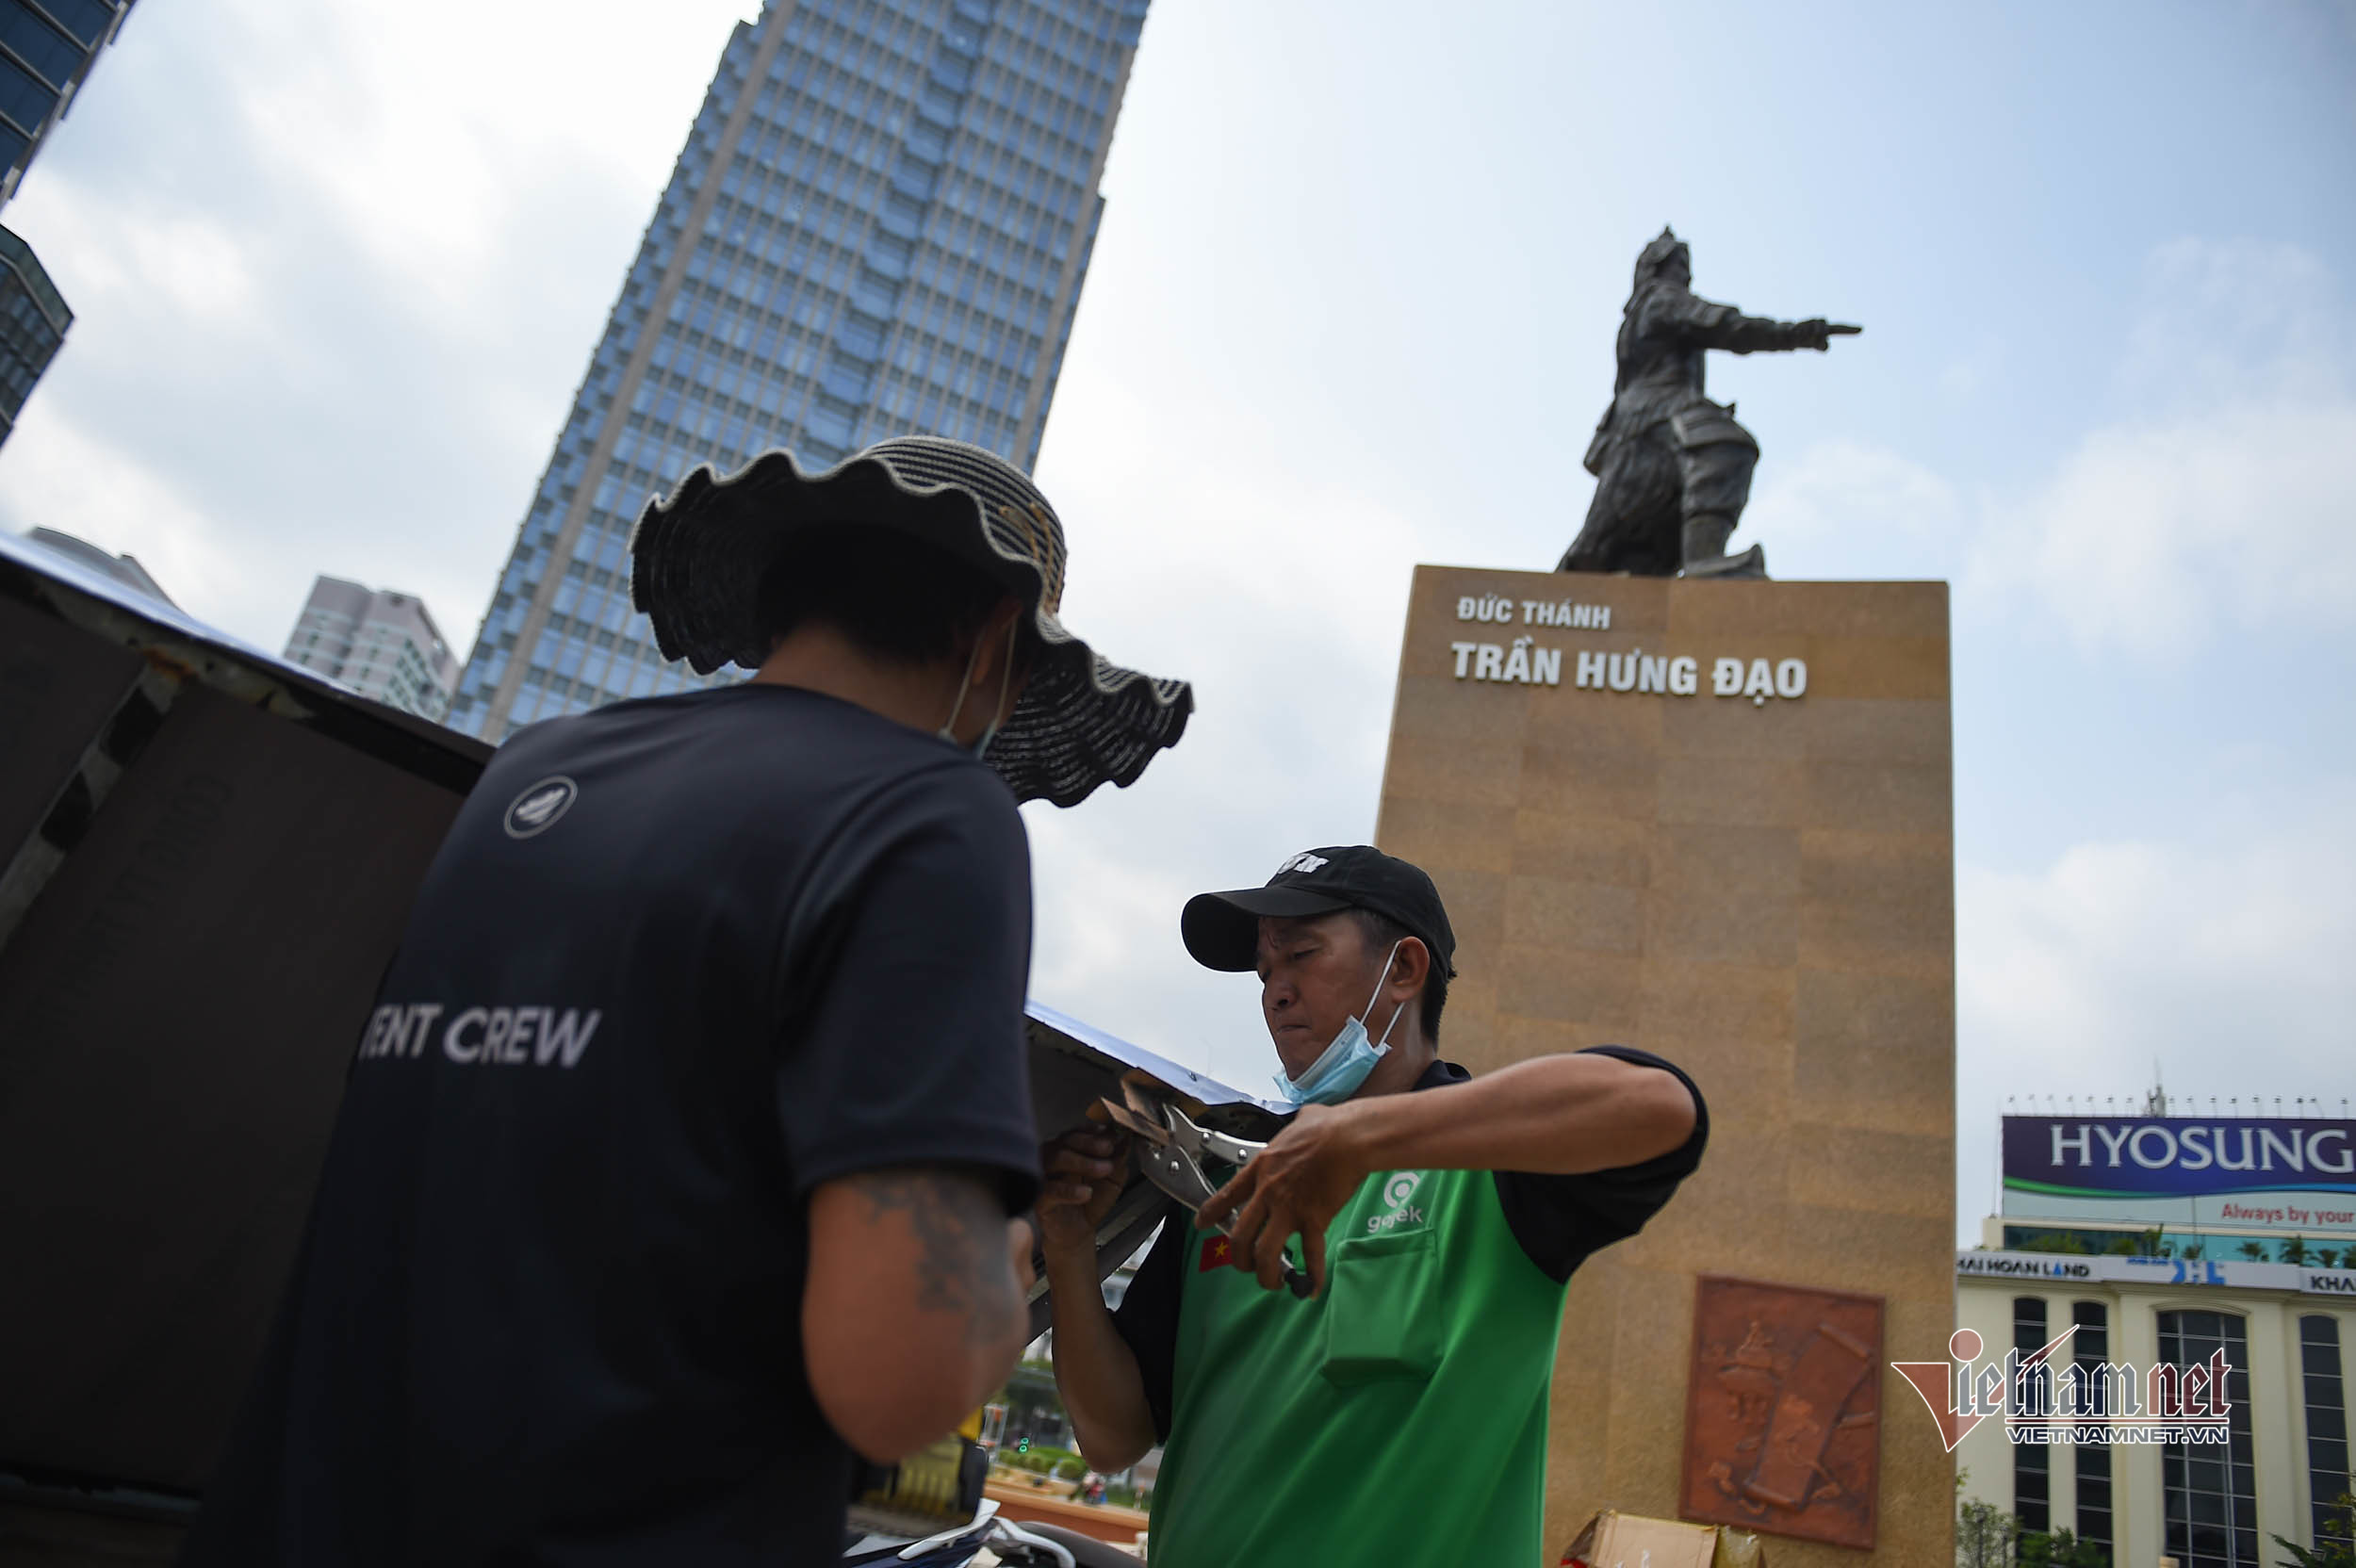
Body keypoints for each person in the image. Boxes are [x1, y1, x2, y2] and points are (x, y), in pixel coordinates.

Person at [181, 437, 1192, 1566]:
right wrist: (1001, 1259)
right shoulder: (930, 812)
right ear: (997, 635)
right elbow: (898, 1383)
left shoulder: (539, 771)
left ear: (785, 587)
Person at [1039, 845, 1707, 1566]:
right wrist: (1071, 1252)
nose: (1275, 992)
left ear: (1406, 971)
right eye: (1266, 974)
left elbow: (1663, 1107)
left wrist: (1360, 1136)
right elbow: (1113, 1439)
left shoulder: (1493, 1165)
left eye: (1301, 955)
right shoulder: (1229, 1179)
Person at [1559, 225, 1859, 580]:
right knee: (1724, 448)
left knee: (1623, 537)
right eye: (1680, 263)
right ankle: (1703, 560)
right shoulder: (1662, 300)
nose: (1687, 273)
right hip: (1657, 411)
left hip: (1639, 420)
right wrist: (1795, 333)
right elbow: (1728, 327)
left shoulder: (1640, 312)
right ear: (1658, 267)